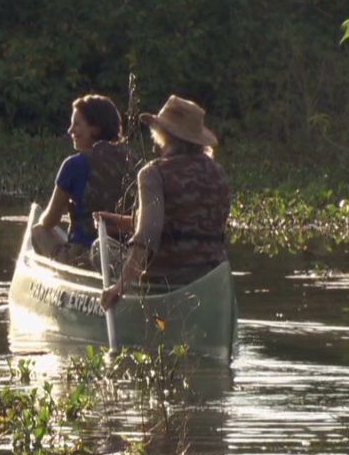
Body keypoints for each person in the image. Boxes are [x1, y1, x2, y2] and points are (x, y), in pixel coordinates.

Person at [98, 95, 231, 309]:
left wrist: (119, 287)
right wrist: (116, 220)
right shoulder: (218, 173)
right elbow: (191, 221)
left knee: (100, 249)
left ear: (163, 134)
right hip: (213, 279)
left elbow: (147, 237)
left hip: (168, 282)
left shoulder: (153, 173)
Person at [31, 94, 137, 266]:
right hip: (129, 254)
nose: (70, 130)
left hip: (84, 257)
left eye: (77, 124)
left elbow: (50, 220)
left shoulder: (74, 165)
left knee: (38, 231)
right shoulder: (135, 161)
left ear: (95, 128)